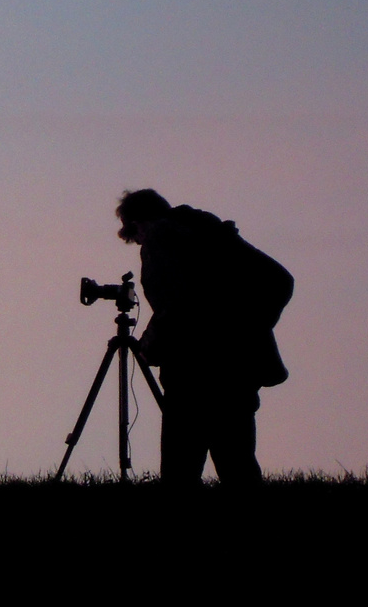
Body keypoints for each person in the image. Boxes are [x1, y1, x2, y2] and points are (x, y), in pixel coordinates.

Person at [115, 188, 293, 486]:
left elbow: (174, 304)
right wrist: (248, 329)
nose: (137, 241)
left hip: (191, 369)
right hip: (238, 367)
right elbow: (280, 279)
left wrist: (150, 345)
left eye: (134, 233)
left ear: (138, 223)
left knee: (180, 470)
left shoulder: (161, 236)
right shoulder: (212, 234)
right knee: (238, 466)